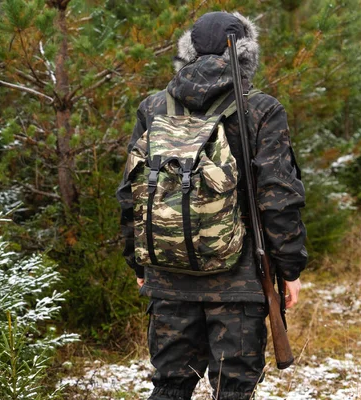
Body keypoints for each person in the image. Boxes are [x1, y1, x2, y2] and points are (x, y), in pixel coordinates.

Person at [116, 11, 308, 400]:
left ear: (190, 51)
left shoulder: (154, 108)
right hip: (239, 283)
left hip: (167, 276)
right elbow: (277, 196)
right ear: (245, 53)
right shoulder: (262, 109)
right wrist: (290, 267)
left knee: (170, 385)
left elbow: (131, 193)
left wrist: (138, 261)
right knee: (234, 389)